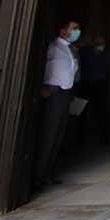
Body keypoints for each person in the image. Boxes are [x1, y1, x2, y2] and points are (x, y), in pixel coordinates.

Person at [35, 20, 81, 190]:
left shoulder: (71, 49)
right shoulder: (52, 47)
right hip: (53, 92)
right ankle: (39, 175)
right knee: (48, 134)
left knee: (58, 134)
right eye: (74, 28)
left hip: (65, 93)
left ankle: (47, 173)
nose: (77, 31)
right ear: (63, 31)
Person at [78, 34, 110, 146]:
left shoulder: (107, 53)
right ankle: (79, 139)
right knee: (81, 110)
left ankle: (104, 138)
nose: (100, 44)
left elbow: (108, 68)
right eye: (98, 41)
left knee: (101, 111)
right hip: (86, 82)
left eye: (102, 42)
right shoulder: (86, 52)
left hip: (100, 83)